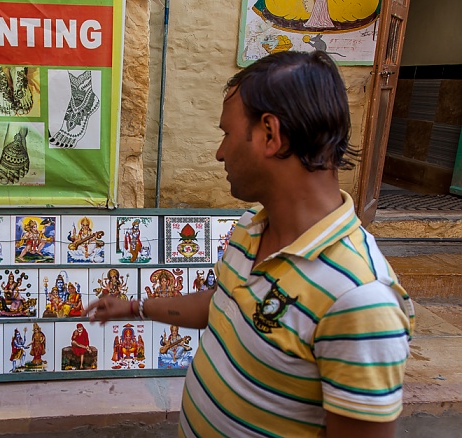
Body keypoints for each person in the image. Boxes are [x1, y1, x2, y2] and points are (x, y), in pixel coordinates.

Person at [86, 51, 415, 437]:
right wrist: (135, 307)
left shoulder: (359, 301)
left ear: (270, 135)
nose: (220, 152)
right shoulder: (250, 229)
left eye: (226, 133)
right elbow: (222, 303)